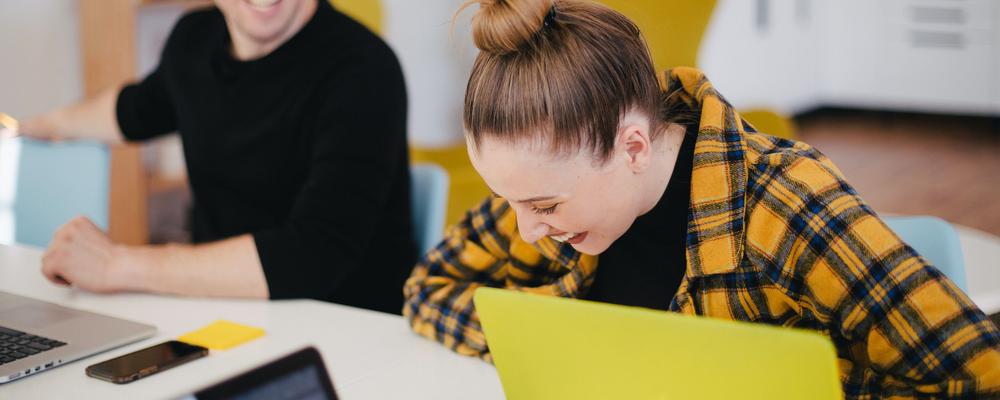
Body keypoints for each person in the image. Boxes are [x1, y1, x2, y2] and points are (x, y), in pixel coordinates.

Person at [402, 0, 1000, 397]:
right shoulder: (551, 194)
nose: (526, 229)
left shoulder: (784, 202)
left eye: (545, 207)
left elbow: (977, 377)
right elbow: (428, 290)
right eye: (510, 201)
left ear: (633, 146)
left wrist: (784, 382)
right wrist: (561, 345)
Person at [20, 0, 416, 315]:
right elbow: (136, 109)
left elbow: (312, 255)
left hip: (345, 328)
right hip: (222, 312)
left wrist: (116, 264)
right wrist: (41, 124)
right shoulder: (196, 39)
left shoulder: (363, 69)